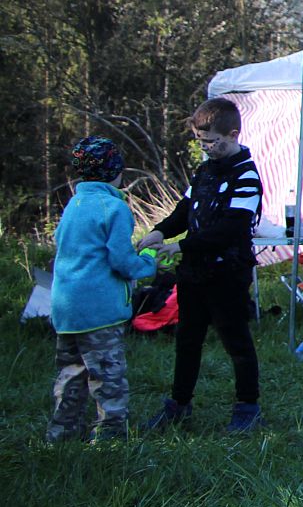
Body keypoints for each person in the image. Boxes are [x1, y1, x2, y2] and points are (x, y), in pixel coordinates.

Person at [141, 98, 266, 434]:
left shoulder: (246, 176)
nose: (206, 148)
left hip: (227, 273)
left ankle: (248, 406)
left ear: (233, 134)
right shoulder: (203, 172)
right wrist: (159, 231)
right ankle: (179, 404)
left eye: (212, 141)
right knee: (187, 339)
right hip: (194, 272)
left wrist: (181, 245)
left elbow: (231, 228)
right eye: (200, 141)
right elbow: (185, 210)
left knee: (236, 341)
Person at [47, 137, 158, 442]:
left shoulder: (73, 205)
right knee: (108, 378)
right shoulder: (114, 207)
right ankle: (109, 438)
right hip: (100, 312)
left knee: (71, 374)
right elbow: (121, 260)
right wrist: (148, 261)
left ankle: (61, 433)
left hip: (66, 309)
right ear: (115, 172)